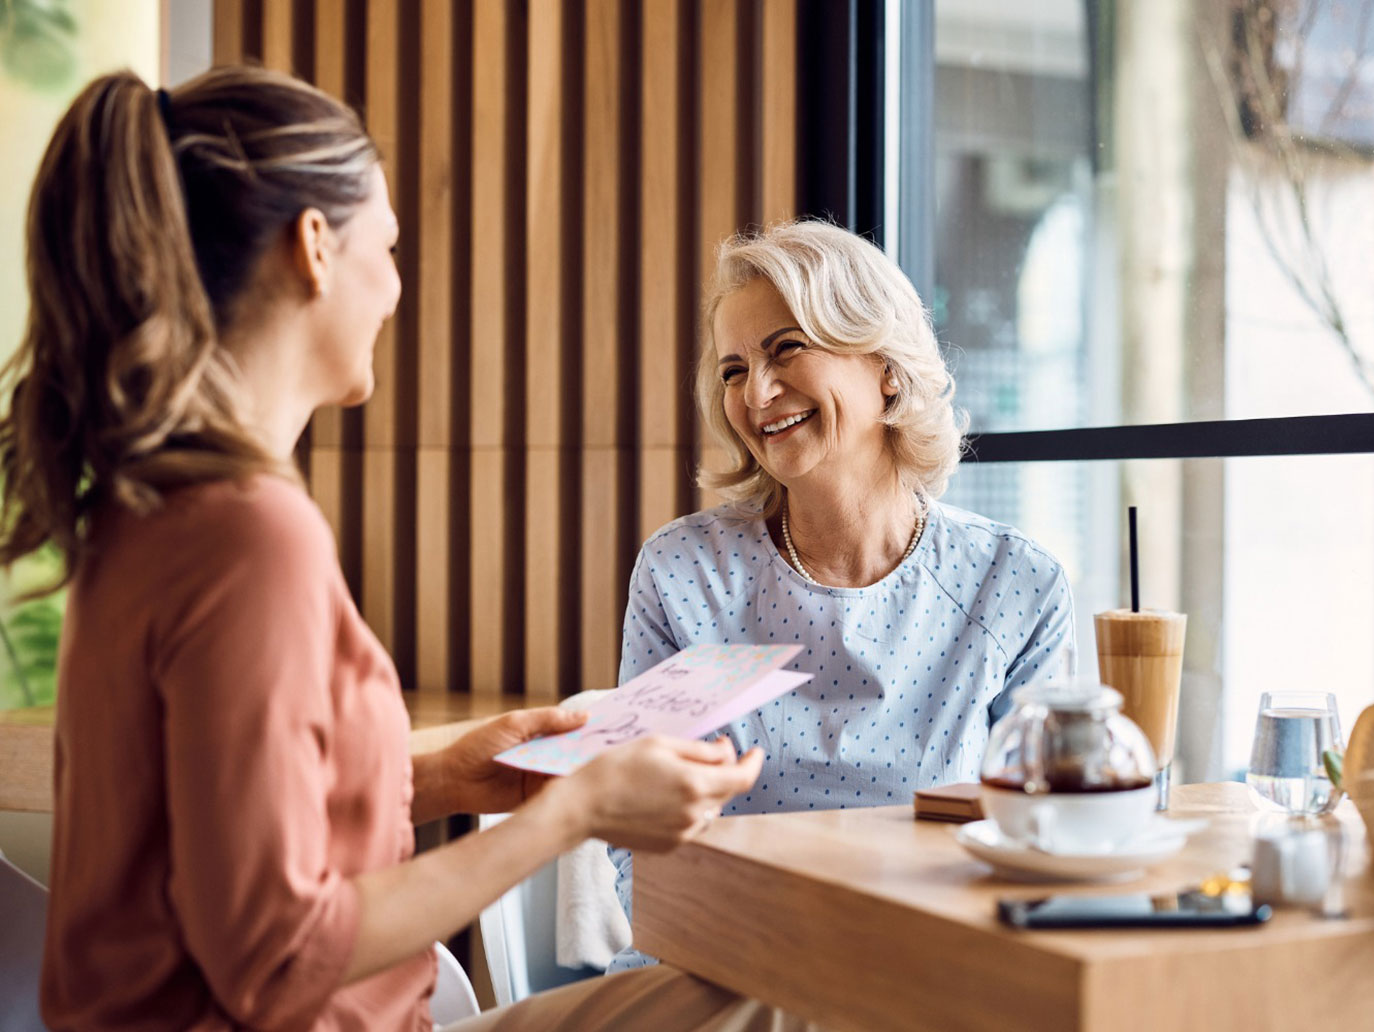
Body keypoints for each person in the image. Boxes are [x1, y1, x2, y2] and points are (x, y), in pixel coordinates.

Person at [0, 65, 809, 1031]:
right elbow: (277, 953)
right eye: (387, 245)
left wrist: (473, 768)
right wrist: (573, 814)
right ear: (313, 248)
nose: (394, 286)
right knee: (788, 1004)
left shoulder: (153, 510)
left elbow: (235, 823)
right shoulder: (249, 536)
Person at [607, 221, 1074, 969]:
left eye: (785, 348)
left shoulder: (1015, 586)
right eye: (733, 370)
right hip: (717, 966)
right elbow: (640, 839)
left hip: (933, 975)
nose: (756, 393)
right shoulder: (684, 574)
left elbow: (1047, 840)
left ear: (887, 367)